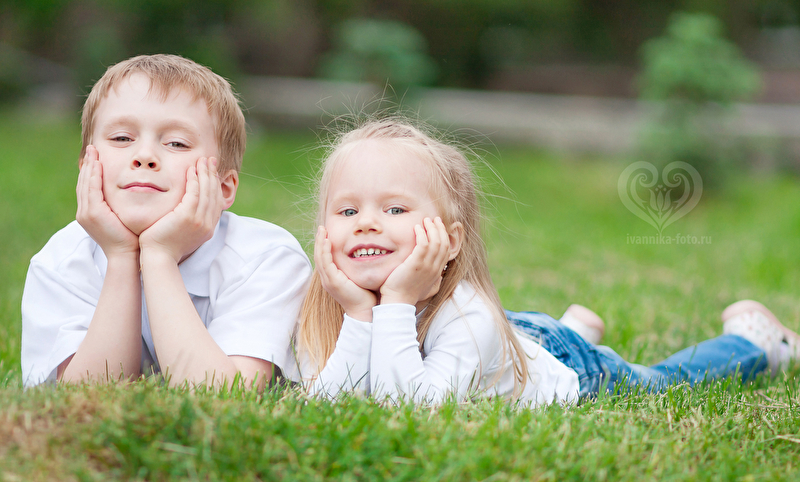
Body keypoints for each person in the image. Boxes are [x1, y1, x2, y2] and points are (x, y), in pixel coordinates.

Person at [292, 117, 799, 405]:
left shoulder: (466, 316)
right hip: (514, 339)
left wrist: (397, 302)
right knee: (519, 341)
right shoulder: (331, 308)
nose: (366, 223)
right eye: (347, 211)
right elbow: (331, 406)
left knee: (660, 383)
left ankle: (755, 341)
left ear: (450, 241)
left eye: (395, 209)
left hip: (569, 369)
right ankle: (567, 329)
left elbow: (411, 408)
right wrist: (360, 315)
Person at [21, 54, 311, 390]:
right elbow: (85, 397)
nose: (144, 156)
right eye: (121, 138)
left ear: (223, 187)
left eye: (176, 143)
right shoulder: (60, 262)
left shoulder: (266, 259)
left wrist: (159, 256)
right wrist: (120, 256)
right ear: (87, 166)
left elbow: (225, 397)